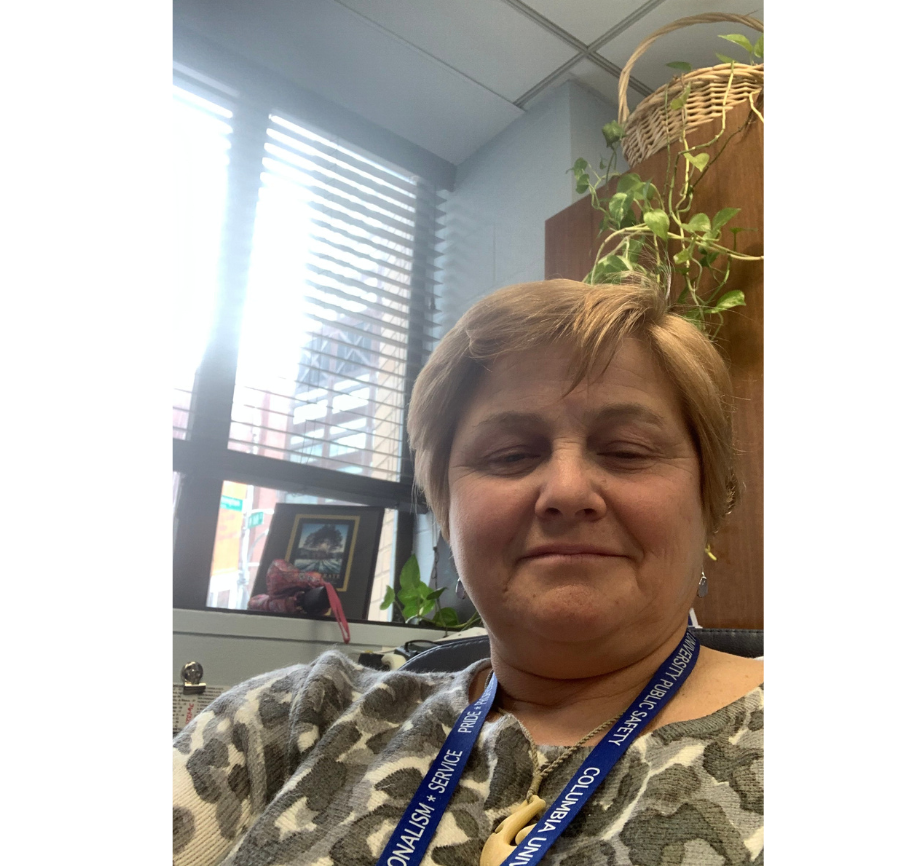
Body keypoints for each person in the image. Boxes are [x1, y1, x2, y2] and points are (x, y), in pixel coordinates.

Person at [172, 276, 764, 866]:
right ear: (447, 510)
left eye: (628, 449)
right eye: (510, 455)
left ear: (708, 499)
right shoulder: (277, 724)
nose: (566, 490)